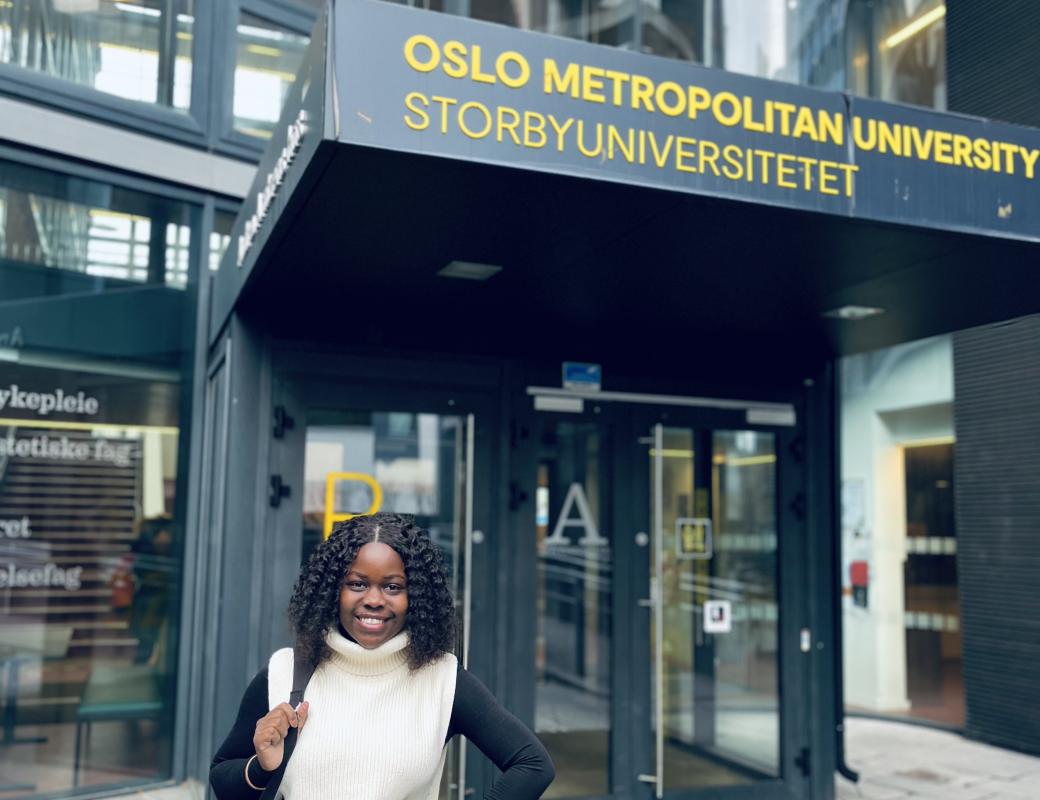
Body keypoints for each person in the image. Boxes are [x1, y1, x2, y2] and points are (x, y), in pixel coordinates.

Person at [210, 512, 555, 799]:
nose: (374, 600)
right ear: (332, 590)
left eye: (392, 587)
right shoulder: (284, 673)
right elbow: (222, 779)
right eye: (357, 584)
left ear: (415, 596)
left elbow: (532, 765)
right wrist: (261, 767)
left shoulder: (443, 679)